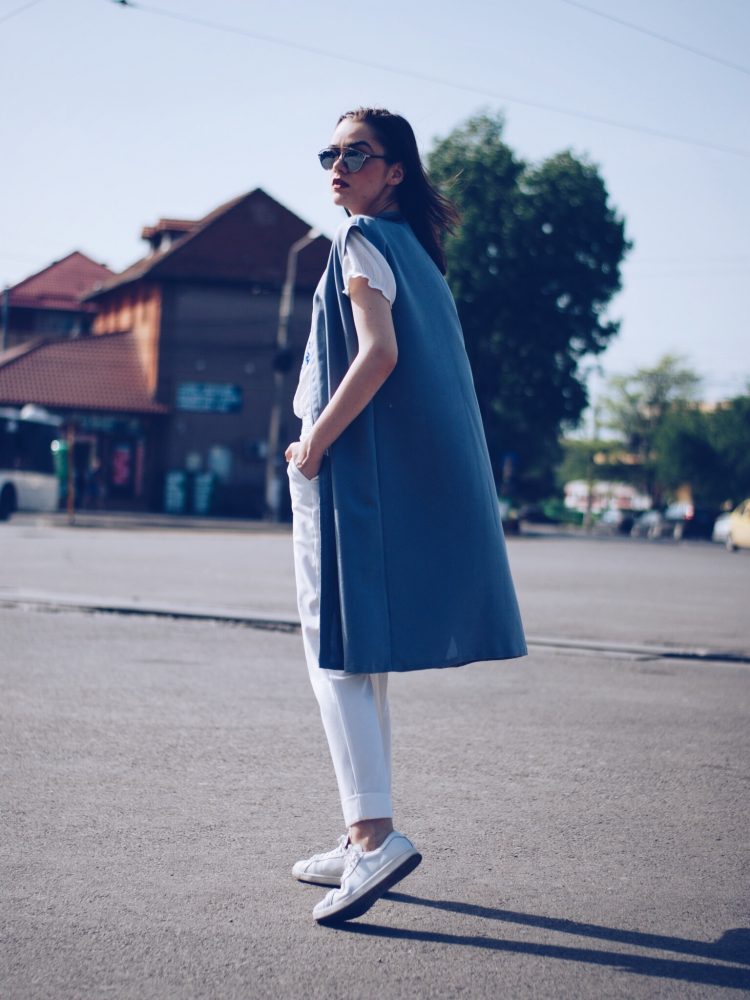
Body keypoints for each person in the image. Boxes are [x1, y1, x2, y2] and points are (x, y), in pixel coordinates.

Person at [285, 107, 526, 926]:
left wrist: (313, 444)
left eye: (357, 153)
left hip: (346, 476)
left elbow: (377, 355)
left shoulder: (359, 243)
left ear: (395, 171)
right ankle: (362, 838)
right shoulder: (417, 254)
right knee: (360, 661)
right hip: (367, 479)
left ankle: (373, 834)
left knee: (335, 663)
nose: (338, 166)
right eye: (332, 152)